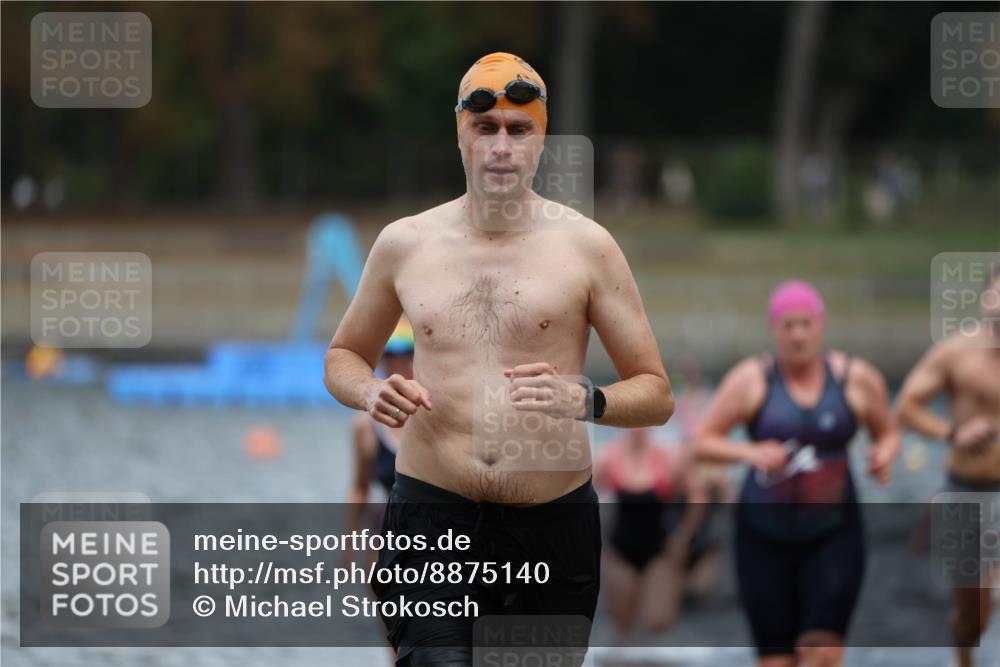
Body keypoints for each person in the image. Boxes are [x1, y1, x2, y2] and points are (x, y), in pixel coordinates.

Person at [323, 52, 673, 666]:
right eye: (485, 128)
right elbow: (343, 356)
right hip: (432, 515)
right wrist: (370, 390)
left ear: (541, 142)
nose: (502, 147)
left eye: (519, 129)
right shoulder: (405, 244)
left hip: (550, 528)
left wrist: (586, 399)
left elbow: (657, 393)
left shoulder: (587, 248)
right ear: (461, 135)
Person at [694, 280, 900, 667]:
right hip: (761, 537)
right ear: (774, 330)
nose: (798, 335)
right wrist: (749, 451)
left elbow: (888, 432)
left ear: (821, 326)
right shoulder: (752, 379)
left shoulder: (855, 377)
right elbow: (702, 442)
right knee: (776, 661)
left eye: (806, 324)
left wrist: (882, 456)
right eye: (788, 326)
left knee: (821, 654)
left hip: (833, 533)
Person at [895, 267, 1000, 667]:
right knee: (974, 619)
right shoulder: (956, 352)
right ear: (987, 300)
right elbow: (906, 407)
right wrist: (954, 433)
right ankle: (964, 658)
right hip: (968, 490)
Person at [593, 427, 710, 635]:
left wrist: (684, 535)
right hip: (619, 550)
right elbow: (585, 493)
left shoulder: (669, 457)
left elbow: (698, 496)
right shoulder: (609, 456)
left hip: (661, 550)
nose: (636, 429)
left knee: (659, 620)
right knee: (623, 625)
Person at [345, 318, 415, 557]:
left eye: (407, 355)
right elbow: (360, 488)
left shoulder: (436, 417)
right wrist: (349, 546)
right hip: (385, 532)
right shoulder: (365, 426)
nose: (399, 364)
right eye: (391, 356)